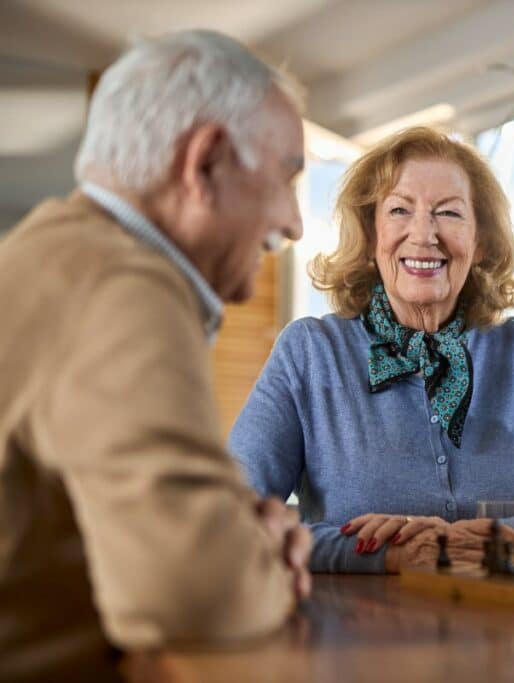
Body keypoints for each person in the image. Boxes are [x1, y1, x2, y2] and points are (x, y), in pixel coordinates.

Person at [0, 30, 311, 681]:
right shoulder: (122, 285)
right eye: (288, 176)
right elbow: (198, 592)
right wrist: (258, 556)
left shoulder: (57, 251)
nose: (295, 222)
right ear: (205, 163)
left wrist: (233, 534)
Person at [229, 126, 514, 574]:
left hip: (505, 635)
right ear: (371, 237)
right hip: (353, 636)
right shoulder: (310, 352)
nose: (424, 233)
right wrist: (378, 553)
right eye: (399, 210)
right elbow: (234, 519)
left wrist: (510, 539)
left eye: (448, 213)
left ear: (480, 243)